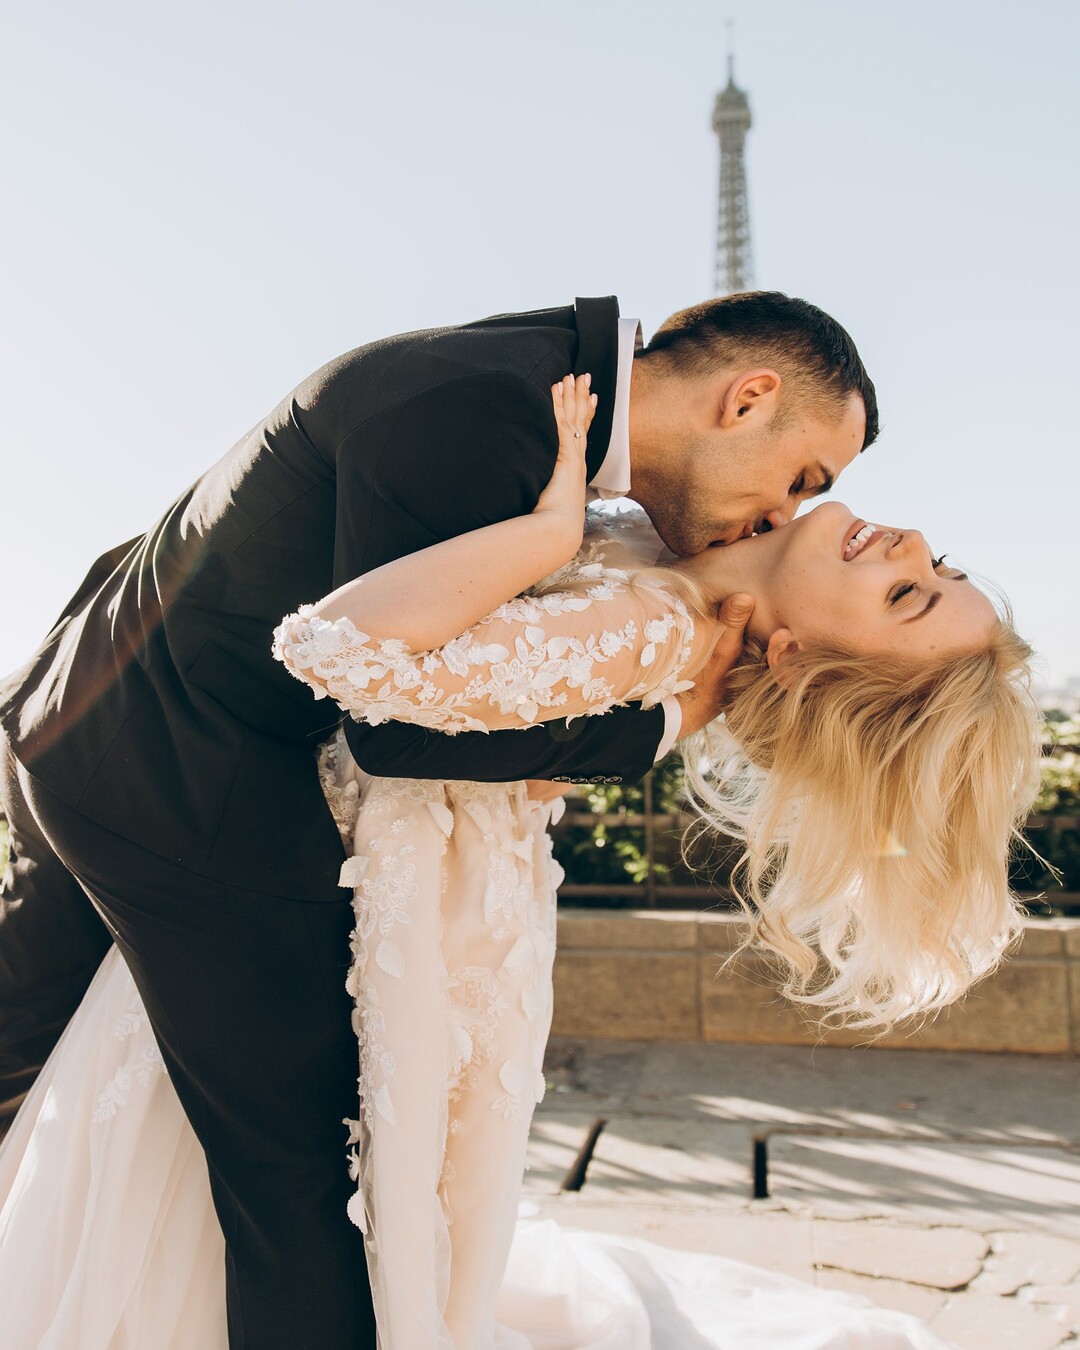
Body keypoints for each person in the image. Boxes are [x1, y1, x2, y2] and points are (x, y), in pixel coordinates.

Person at [0, 379, 1039, 1348]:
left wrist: (555, 548)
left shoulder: (651, 628)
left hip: (340, 888)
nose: (907, 545)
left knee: (243, 1173)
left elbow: (345, 655)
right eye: (936, 571)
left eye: (907, 597)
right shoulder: (666, 555)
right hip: (275, 840)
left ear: (801, 660)